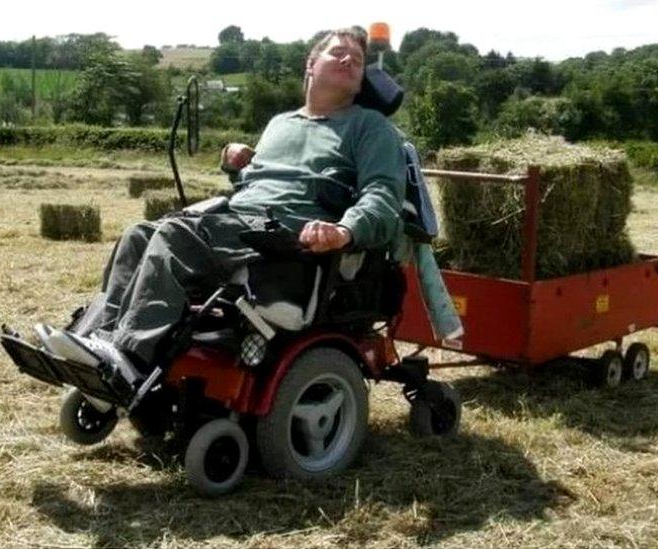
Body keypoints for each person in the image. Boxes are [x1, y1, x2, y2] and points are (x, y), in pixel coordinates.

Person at [39, 28, 408, 385]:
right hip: (241, 221)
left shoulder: (371, 127)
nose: (348, 59)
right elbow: (258, 187)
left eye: (357, 59)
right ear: (310, 64)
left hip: (290, 238)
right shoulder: (280, 124)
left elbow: (383, 195)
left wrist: (344, 230)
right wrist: (238, 169)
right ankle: (91, 346)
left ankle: (130, 358)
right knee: (137, 235)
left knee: (175, 237)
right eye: (337, 52)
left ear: (361, 82)